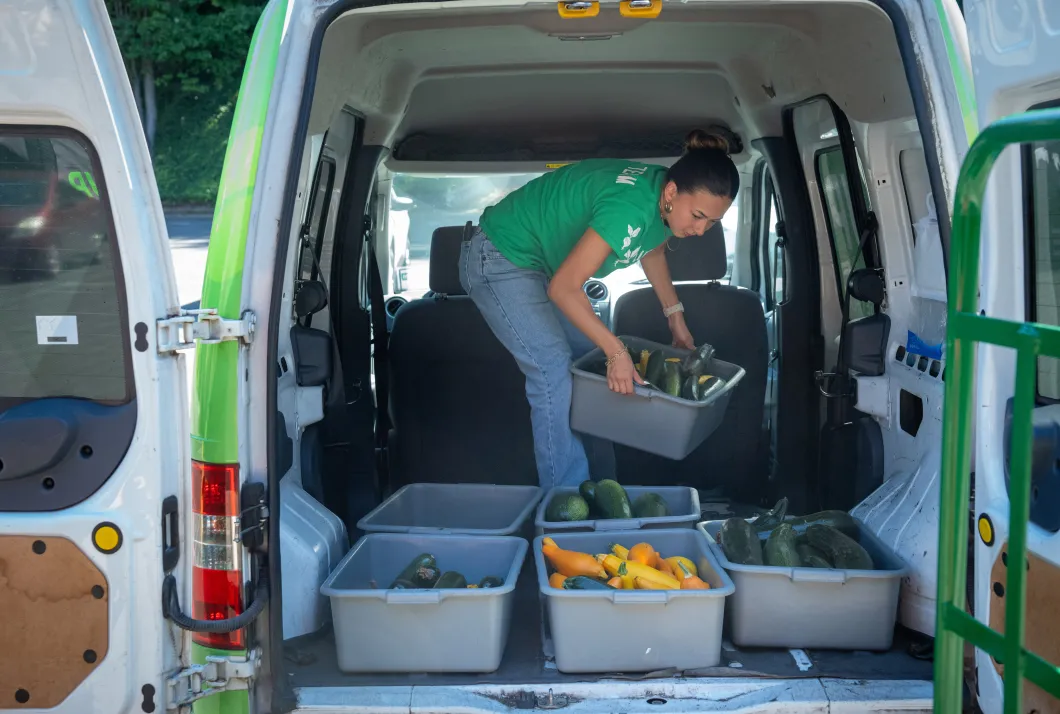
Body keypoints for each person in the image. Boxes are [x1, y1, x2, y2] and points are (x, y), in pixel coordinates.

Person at [458, 128, 740, 490]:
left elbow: (651, 248)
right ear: (671, 193)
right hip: (501, 256)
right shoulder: (630, 208)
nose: (701, 230)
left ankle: (605, 488)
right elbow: (564, 288)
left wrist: (677, 320)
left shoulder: (662, 202)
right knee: (553, 372)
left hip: (544, 263)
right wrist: (616, 349)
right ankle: (569, 504)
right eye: (698, 216)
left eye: (713, 222)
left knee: (590, 364)